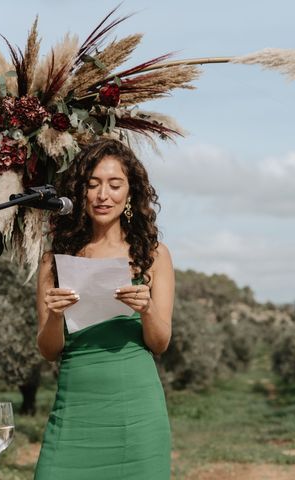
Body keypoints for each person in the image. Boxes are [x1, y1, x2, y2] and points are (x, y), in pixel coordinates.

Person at [34, 139, 174, 479]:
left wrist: (146, 308)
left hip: (135, 413)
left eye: (114, 184)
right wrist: (55, 314)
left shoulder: (154, 256)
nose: (102, 195)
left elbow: (160, 343)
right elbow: (49, 350)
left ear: (130, 193)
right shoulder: (53, 261)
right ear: (80, 192)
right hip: (75, 411)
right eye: (93, 184)